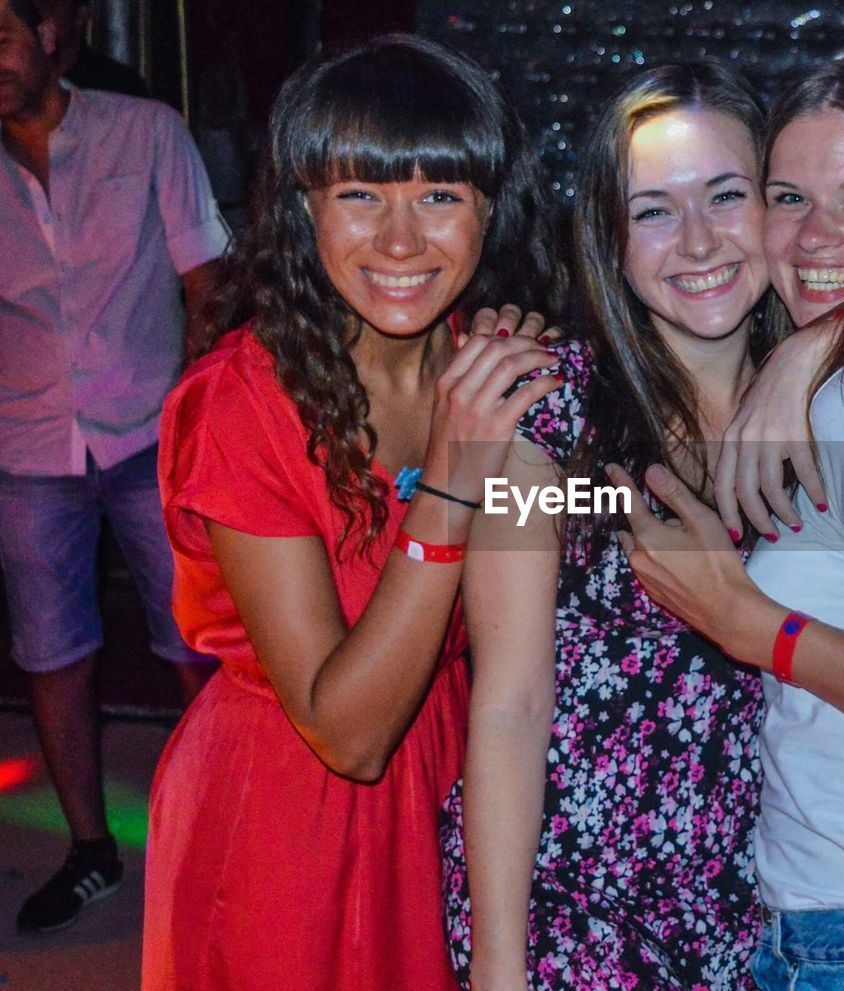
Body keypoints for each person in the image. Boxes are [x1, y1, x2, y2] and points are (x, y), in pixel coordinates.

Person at [443, 60, 844, 990]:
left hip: (762, 903)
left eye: (727, 195)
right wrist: (499, 963)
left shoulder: (820, 380)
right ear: (608, 238)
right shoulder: (561, 422)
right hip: (582, 903)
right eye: (653, 209)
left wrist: (817, 347)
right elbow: (509, 702)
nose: (696, 242)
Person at [142, 34, 564, 991]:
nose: (402, 241)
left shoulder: (489, 366)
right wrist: (453, 480)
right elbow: (349, 730)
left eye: (440, 197)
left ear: (491, 211)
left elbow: (576, 524)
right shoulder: (240, 403)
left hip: (454, 771)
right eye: (362, 195)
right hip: (286, 808)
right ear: (305, 208)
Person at [0, 0, 224, 933]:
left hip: (151, 439)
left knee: (204, 648)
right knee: (52, 653)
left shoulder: (148, 133)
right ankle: (92, 848)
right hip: (25, 449)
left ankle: (224, 837)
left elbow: (207, 282)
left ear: (50, 35)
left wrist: (196, 420)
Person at [38, 0, 149, 97]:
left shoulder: (120, 85)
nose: (38, 17)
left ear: (80, 15)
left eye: (47, 7)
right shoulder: (27, 80)